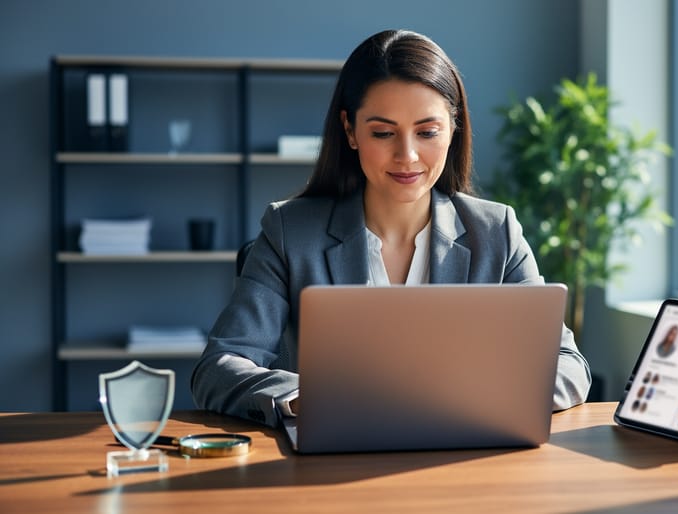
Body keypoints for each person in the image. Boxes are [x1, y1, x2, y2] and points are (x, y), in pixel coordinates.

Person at [191, 29, 592, 427]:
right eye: (383, 133)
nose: (408, 155)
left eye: (427, 132)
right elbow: (219, 367)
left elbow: (568, 365)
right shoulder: (290, 232)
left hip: (463, 449)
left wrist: (472, 396)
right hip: (335, 454)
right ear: (350, 130)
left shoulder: (496, 231)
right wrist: (306, 397)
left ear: (453, 129)